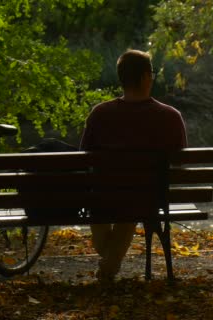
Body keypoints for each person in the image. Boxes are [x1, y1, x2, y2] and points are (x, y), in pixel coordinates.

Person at [79, 49, 188, 282]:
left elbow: (83, 159)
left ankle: (108, 266)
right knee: (133, 199)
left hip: (102, 197)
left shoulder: (100, 114)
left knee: (115, 200)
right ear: (145, 78)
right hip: (149, 197)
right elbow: (179, 168)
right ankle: (109, 266)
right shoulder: (170, 116)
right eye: (152, 73)